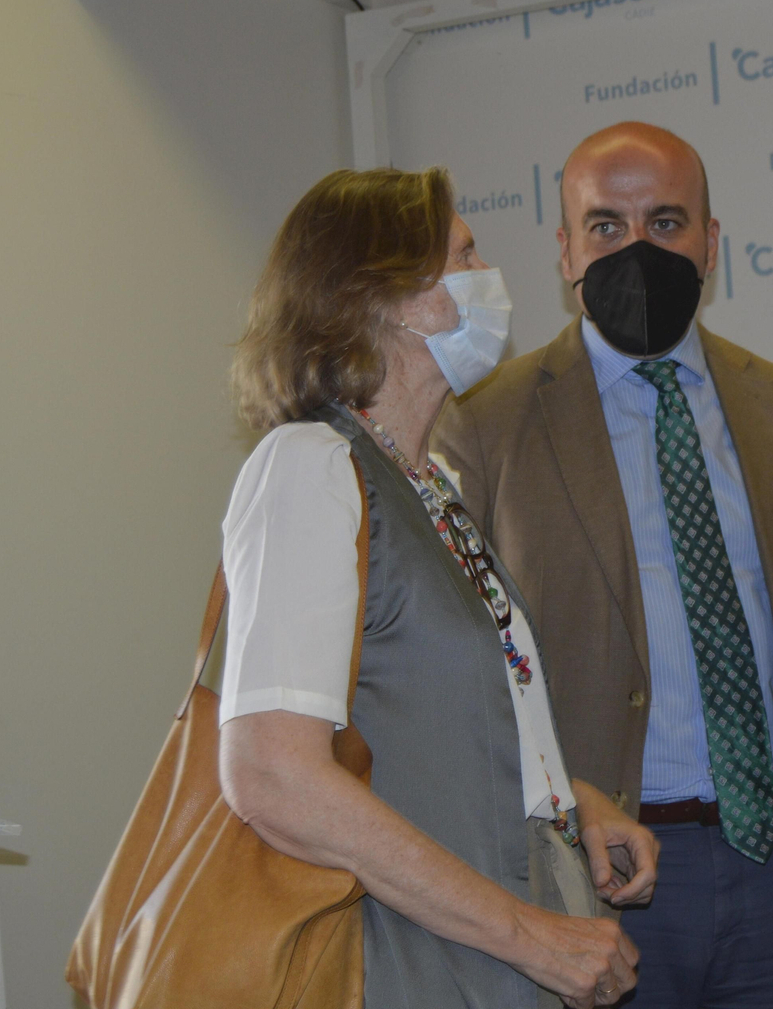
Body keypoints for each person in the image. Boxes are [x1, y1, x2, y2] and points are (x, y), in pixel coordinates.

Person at [431, 122, 773, 1008]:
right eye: (606, 225)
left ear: (712, 242)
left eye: (666, 223)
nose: (637, 249)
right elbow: (465, 676)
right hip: (595, 877)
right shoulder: (483, 425)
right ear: (564, 250)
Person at [215, 167, 659, 1009]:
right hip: (409, 964)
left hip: (485, 956)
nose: (487, 276)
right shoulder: (310, 466)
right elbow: (273, 773)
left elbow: (442, 726)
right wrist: (527, 933)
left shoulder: (430, 481)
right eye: (463, 255)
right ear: (384, 296)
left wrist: (572, 800)